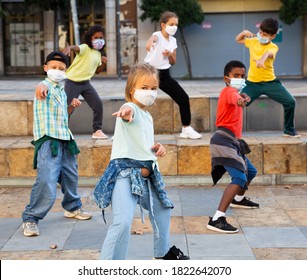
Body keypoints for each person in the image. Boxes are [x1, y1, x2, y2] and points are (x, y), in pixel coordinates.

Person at [93, 63, 189, 260]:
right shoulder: (130, 108)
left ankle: (162, 252)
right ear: (131, 90)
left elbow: (140, 141)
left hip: (146, 176)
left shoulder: (146, 115)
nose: (150, 93)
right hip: (126, 176)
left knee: (162, 210)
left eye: (153, 88)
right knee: (122, 222)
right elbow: (128, 113)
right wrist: (126, 112)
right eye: (144, 88)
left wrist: (155, 148)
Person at [22, 51, 92, 237]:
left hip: (64, 138)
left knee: (71, 176)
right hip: (48, 140)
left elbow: (63, 117)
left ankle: (72, 207)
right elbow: (40, 88)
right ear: (46, 68)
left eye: (61, 69)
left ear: (66, 71)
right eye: (53, 68)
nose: (57, 71)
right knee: (46, 180)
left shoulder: (62, 91)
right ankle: (31, 218)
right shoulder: (45, 85)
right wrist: (40, 86)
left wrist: (71, 106)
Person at [207, 60, 259, 234]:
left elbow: (238, 99)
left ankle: (238, 198)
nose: (240, 78)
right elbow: (235, 99)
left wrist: (242, 98)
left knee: (250, 171)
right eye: (236, 76)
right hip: (223, 142)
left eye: (242, 76)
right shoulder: (229, 91)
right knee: (239, 178)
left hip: (233, 142)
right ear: (227, 78)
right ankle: (217, 218)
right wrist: (241, 100)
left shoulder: (235, 93)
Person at [36, 25, 108, 139]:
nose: (98, 39)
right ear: (90, 38)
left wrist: (103, 63)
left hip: (86, 84)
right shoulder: (85, 48)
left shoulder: (98, 54)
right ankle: (61, 130)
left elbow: (97, 71)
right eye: (96, 37)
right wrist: (70, 48)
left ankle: (97, 130)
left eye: (101, 37)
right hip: (73, 82)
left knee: (98, 105)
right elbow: (77, 48)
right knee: (67, 107)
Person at [236, 18, 300, 138]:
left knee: (290, 102)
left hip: (270, 83)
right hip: (252, 84)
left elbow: (269, 53)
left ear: (273, 36)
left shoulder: (273, 47)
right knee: (237, 102)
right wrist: (243, 32)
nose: (261, 35)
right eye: (260, 32)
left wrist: (262, 59)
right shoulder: (253, 41)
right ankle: (231, 130)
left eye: (265, 34)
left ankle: (289, 130)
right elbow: (238, 40)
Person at [144, 11, 201, 139]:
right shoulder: (157, 35)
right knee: (138, 101)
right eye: (171, 24)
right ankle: (125, 129)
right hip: (149, 73)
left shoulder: (173, 41)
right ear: (163, 25)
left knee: (183, 98)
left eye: (176, 24)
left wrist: (170, 54)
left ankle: (186, 129)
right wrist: (149, 43)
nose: (174, 27)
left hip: (164, 74)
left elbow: (173, 61)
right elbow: (152, 39)